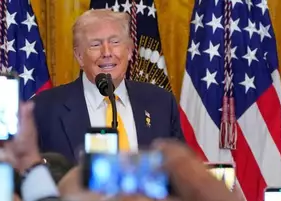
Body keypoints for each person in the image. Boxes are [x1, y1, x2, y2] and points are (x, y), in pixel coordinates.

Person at [33, 9, 184, 162]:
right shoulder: (44, 109)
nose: (107, 52)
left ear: (130, 51)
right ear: (79, 56)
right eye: (95, 44)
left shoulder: (161, 103)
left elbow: (181, 171)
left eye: (115, 42)